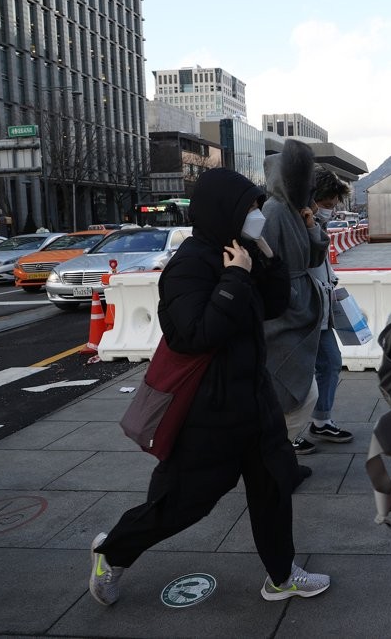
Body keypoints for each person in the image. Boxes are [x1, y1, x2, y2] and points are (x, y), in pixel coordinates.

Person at [88, 168, 330, 606]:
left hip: (255, 399)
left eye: (258, 206)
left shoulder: (240, 250)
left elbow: (273, 307)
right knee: (185, 503)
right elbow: (193, 335)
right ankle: (113, 552)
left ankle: (281, 575)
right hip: (209, 413)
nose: (257, 214)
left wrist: (268, 261)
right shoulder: (189, 266)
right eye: (250, 208)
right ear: (226, 211)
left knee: (274, 487)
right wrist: (235, 278)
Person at [260, 140, 329, 457]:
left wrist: (313, 227)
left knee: (303, 384)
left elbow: (314, 259)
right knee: (299, 388)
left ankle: (279, 448)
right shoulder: (273, 212)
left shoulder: (294, 211)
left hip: (302, 305)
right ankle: (276, 448)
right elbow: (266, 266)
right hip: (284, 311)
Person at [307, 167, 354, 444]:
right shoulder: (298, 224)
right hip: (304, 313)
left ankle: (321, 420)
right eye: (326, 205)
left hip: (320, 311)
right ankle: (287, 433)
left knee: (331, 363)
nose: (330, 212)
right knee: (302, 373)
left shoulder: (316, 225)